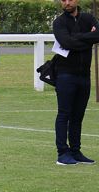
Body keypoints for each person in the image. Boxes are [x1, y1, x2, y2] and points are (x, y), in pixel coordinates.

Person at [53, 0, 98, 165]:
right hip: (65, 75)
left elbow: (97, 35)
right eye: (63, 0)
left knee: (78, 115)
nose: (67, 3)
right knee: (64, 114)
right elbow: (66, 43)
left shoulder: (88, 18)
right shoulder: (59, 22)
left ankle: (75, 151)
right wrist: (88, 38)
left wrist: (77, 37)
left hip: (84, 75)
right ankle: (62, 153)